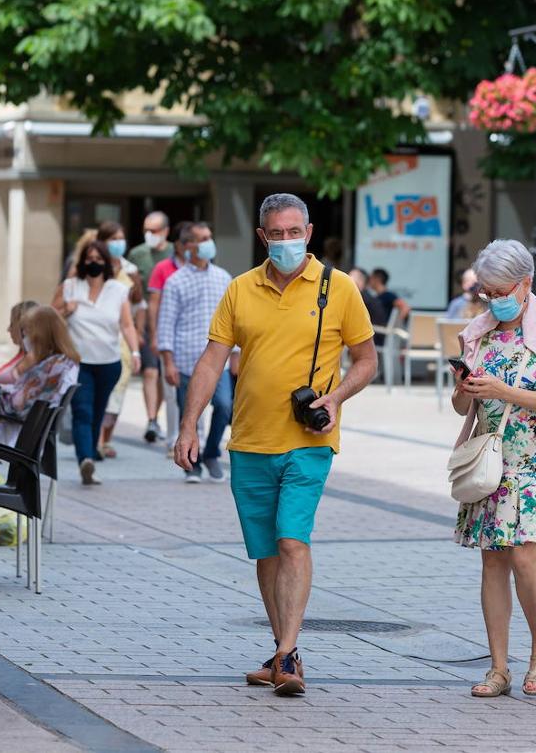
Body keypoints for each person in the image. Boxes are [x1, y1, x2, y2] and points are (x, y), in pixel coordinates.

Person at [174, 193, 377, 697]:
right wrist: (188, 426)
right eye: (276, 233)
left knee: (291, 540)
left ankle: (287, 652)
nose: (286, 241)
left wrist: (336, 397)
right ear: (263, 237)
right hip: (248, 440)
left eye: (294, 231)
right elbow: (211, 361)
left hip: (310, 440)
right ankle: (282, 652)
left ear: (308, 232)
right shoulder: (240, 290)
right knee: (266, 552)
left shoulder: (340, 288)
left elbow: (367, 361)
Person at [450, 239, 536, 699]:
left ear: (525, 283)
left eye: (500, 290)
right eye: (485, 292)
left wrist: (505, 390)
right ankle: (498, 667)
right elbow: (460, 405)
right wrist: (466, 388)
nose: (492, 300)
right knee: (492, 561)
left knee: (526, 557)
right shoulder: (476, 332)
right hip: (490, 458)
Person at [54, 240, 141, 485]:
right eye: (90, 258)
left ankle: (89, 457)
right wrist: (65, 311)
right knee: (82, 410)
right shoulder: (70, 286)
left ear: (106, 263)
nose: (94, 263)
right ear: (82, 262)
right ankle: (85, 460)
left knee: (97, 413)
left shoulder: (117, 290)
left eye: (99, 259)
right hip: (78, 362)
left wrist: (135, 353)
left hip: (109, 363)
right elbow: (48, 317)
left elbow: (126, 324)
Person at [157, 222, 233, 484]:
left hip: (218, 360)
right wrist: (168, 363)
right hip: (186, 359)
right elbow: (166, 323)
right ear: (188, 246)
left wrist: (236, 355)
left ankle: (211, 453)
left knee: (224, 406)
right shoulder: (175, 282)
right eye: (202, 238)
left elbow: (233, 321)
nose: (208, 242)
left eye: (209, 237)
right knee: (189, 415)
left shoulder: (224, 278)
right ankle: (193, 464)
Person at [0, 306, 80, 445]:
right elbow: (26, 396)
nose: (25, 339)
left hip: (20, 435)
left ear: (40, 334)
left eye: (26, 333)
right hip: (28, 434)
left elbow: (14, 407)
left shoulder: (49, 368)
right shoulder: (63, 363)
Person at [150, 222, 201, 453]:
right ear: (178, 245)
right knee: (172, 393)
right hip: (172, 339)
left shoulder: (205, 270)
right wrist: (156, 336)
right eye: (186, 242)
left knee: (199, 393)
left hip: (198, 341)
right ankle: (173, 438)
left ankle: (196, 438)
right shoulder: (164, 268)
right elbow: (155, 304)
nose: (189, 246)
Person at [95, 220, 144, 459]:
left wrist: (140, 334)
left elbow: (139, 305)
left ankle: (106, 439)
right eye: (112, 238)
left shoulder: (131, 270)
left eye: (120, 238)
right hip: (98, 337)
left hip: (124, 340)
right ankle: (93, 438)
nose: (117, 243)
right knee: (98, 389)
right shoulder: (95, 267)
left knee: (118, 388)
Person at [127, 211, 172, 444]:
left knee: (165, 373)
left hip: (170, 322)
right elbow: (131, 293)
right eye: (146, 230)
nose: (149, 235)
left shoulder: (175, 253)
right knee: (150, 371)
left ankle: (157, 414)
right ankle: (152, 419)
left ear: (165, 231)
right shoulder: (137, 254)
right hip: (145, 322)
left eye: (154, 230)